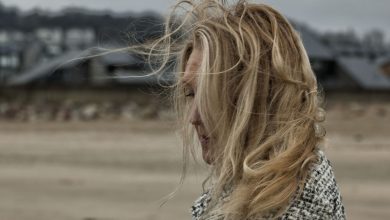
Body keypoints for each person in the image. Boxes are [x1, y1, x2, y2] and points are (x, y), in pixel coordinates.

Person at [137, 0, 346, 219]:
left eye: (211, 97)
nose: (193, 117)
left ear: (261, 99)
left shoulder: (291, 209)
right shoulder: (281, 183)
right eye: (191, 94)